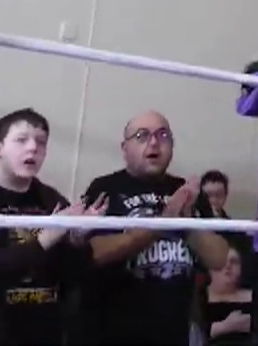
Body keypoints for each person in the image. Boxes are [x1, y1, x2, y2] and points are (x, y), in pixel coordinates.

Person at [0, 108, 104, 344]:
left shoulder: (52, 200)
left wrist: (77, 242)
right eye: (21, 140)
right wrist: (44, 240)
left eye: (41, 142)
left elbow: (73, 279)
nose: (33, 148)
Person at [78, 110, 231, 346]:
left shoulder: (185, 190)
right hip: (115, 332)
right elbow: (94, 253)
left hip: (175, 333)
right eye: (142, 135)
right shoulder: (105, 187)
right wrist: (163, 221)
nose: (154, 143)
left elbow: (219, 258)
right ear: (125, 148)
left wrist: (186, 220)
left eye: (163, 135)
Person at [204, 249, 253, 344]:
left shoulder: (255, 297)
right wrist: (225, 326)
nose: (228, 266)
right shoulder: (198, 297)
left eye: (233, 262)